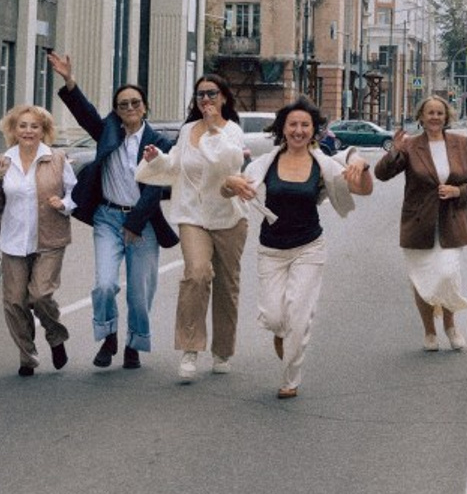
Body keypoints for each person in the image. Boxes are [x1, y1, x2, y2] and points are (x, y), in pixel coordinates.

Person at [221, 97, 372, 398]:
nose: (299, 130)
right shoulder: (267, 162)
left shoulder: (324, 164)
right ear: (283, 129)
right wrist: (230, 183)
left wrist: (362, 167)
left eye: (305, 125)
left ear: (313, 130)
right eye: (293, 125)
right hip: (272, 251)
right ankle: (284, 336)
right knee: (277, 317)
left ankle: (290, 377)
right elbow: (228, 187)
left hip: (309, 248)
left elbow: (363, 189)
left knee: (299, 317)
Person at [51, 51, 177, 370]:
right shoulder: (108, 130)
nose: (130, 108)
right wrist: (69, 80)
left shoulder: (159, 141)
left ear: (145, 106)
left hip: (143, 222)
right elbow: (85, 113)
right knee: (104, 284)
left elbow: (155, 189)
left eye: (135, 102)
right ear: (117, 111)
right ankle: (109, 336)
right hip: (107, 218)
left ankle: (134, 344)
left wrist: (134, 223)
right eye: (123, 104)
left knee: (139, 291)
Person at [136, 74, 248, 381]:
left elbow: (227, 165)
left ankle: (222, 350)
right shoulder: (187, 131)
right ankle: (189, 348)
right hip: (192, 215)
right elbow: (176, 166)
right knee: (196, 274)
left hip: (228, 216)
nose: (206, 100)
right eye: (200, 95)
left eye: (212, 94)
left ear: (223, 97)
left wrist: (214, 129)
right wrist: (157, 159)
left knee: (227, 284)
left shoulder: (233, 131)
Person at [375, 94, 467, 352]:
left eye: (439, 113)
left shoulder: (461, 143)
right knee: (422, 279)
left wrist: (457, 192)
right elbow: (382, 174)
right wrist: (394, 151)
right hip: (419, 222)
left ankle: (451, 326)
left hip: (451, 220)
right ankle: (430, 331)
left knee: (448, 273)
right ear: (420, 117)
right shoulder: (410, 146)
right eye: (429, 113)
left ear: (446, 116)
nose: (435, 117)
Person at [1, 105, 76, 377]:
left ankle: (55, 336)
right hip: (12, 241)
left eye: (35, 126)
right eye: (23, 125)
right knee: (14, 302)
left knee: (40, 295)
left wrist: (64, 203)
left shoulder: (56, 159)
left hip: (49, 239)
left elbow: (74, 192)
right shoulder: (4, 161)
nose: (28, 131)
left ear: (44, 131)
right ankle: (27, 355)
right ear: (13, 130)